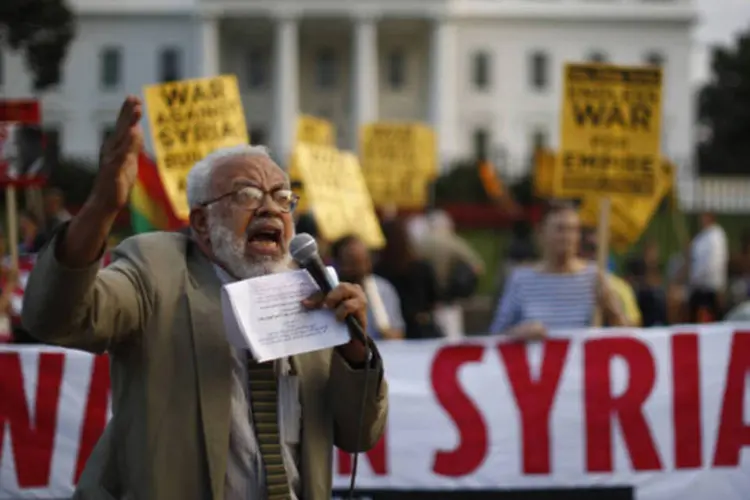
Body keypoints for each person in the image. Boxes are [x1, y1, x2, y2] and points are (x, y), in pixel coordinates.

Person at [21, 96, 388, 500]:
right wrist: (101, 208)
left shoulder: (311, 292)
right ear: (201, 221)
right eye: (247, 195)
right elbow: (57, 317)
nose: (270, 209)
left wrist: (355, 351)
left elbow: (358, 435)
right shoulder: (154, 266)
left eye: (283, 198)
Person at [490, 201, 627, 339]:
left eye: (573, 230)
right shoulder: (520, 279)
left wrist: (613, 311)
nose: (567, 237)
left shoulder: (594, 277)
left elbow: (627, 336)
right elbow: (496, 334)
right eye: (560, 229)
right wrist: (518, 332)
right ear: (542, 233)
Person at [416, 210, 485, 339]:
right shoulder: (453, 241)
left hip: (423, 300)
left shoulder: (420, 243)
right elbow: (477, 266)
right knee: (451, 337)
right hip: (447, 299)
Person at [375, 218, 442, 339]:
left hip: (393, 329)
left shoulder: (379, 271)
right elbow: (434, 299)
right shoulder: (422, 267)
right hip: (419, 328)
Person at [331, 234, 405, 340]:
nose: (361, 268)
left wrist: (388, 334)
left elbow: (398, 333)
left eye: (365, 261)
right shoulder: (330, 295)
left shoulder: (383, 289)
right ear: (339, 263)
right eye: (353, 262)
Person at [688, 212, 728, 322]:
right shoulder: (702, 237)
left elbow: (713, 263)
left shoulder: (716, 236)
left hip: (709, 286)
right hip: (699, 285)